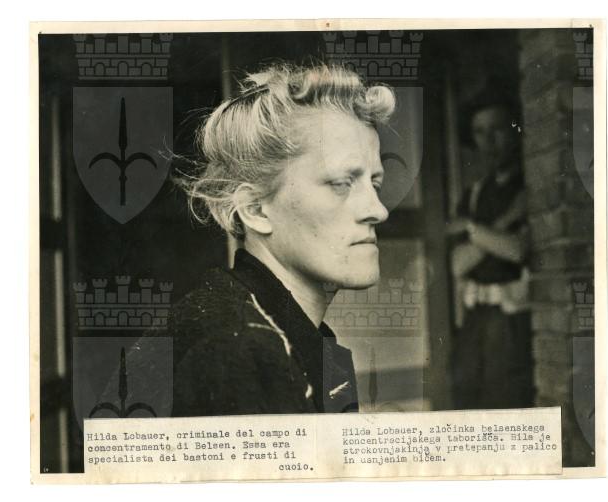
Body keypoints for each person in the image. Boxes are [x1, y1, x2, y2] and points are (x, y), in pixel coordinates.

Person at [107, 63, 396, 417]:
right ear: (255, 209)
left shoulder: (261, 329)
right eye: (341, 183)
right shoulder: (237, 350)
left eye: (375, 183)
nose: (378, 210)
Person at [447, 93, 534, 409]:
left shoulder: (529, 187)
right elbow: (458, 263)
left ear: (515, 130)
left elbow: (517, 249)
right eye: (480, 132)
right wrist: (504, 221)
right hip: (475, 321)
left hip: (512, 320)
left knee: (506, 402)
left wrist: (475, 234)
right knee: (466, 399)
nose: (489, 140)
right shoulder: (473, 196)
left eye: (497, 129)